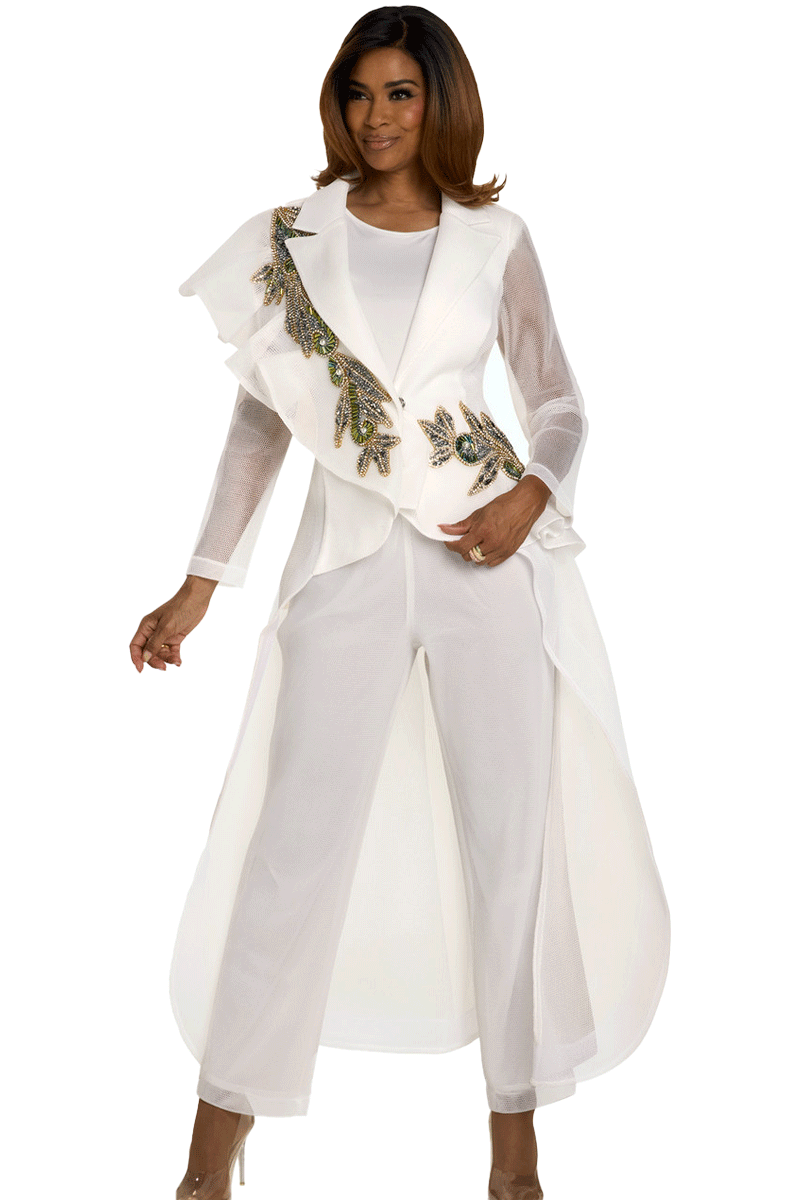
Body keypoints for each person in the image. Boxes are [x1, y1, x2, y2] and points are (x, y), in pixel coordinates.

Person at [130, 7, 670, 1199]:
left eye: (400, 94)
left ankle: (514, 1156)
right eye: (358, 93)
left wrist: (532, 495)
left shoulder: (493, 238)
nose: (376, 117)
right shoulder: (291, 240)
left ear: (440, 104)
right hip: (345, 572)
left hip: (487, 564)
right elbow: (260, 426)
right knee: (291, 853)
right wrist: (198, 584)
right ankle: (209, 1161)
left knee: (510, 851)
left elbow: (558, 399)